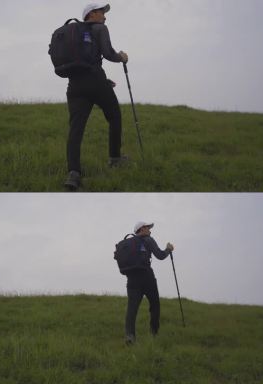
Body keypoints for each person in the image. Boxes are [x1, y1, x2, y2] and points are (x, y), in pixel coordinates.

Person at [63, 3, 129, 190]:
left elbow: (85, 62)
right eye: (102, 12)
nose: (105, 16)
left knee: (76, 129)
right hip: (95, 82)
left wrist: (104, 81)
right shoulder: (100, 28)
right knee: (115, 116)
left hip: (75, 86)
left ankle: (73, 173)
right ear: (91, 14)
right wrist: (121, 57)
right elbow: (108, 53)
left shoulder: (72, 33)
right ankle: (115, 159)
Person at [123, 222, 174, 345]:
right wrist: (168, 249)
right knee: (155, 305)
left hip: (132, 279)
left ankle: (130, 336)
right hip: (147, 277)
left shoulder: (128, 243)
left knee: (132, 309)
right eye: (148, 228)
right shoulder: (148, 240)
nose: (150, 231)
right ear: (142, 229)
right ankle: (154, 333)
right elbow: (160, 256)